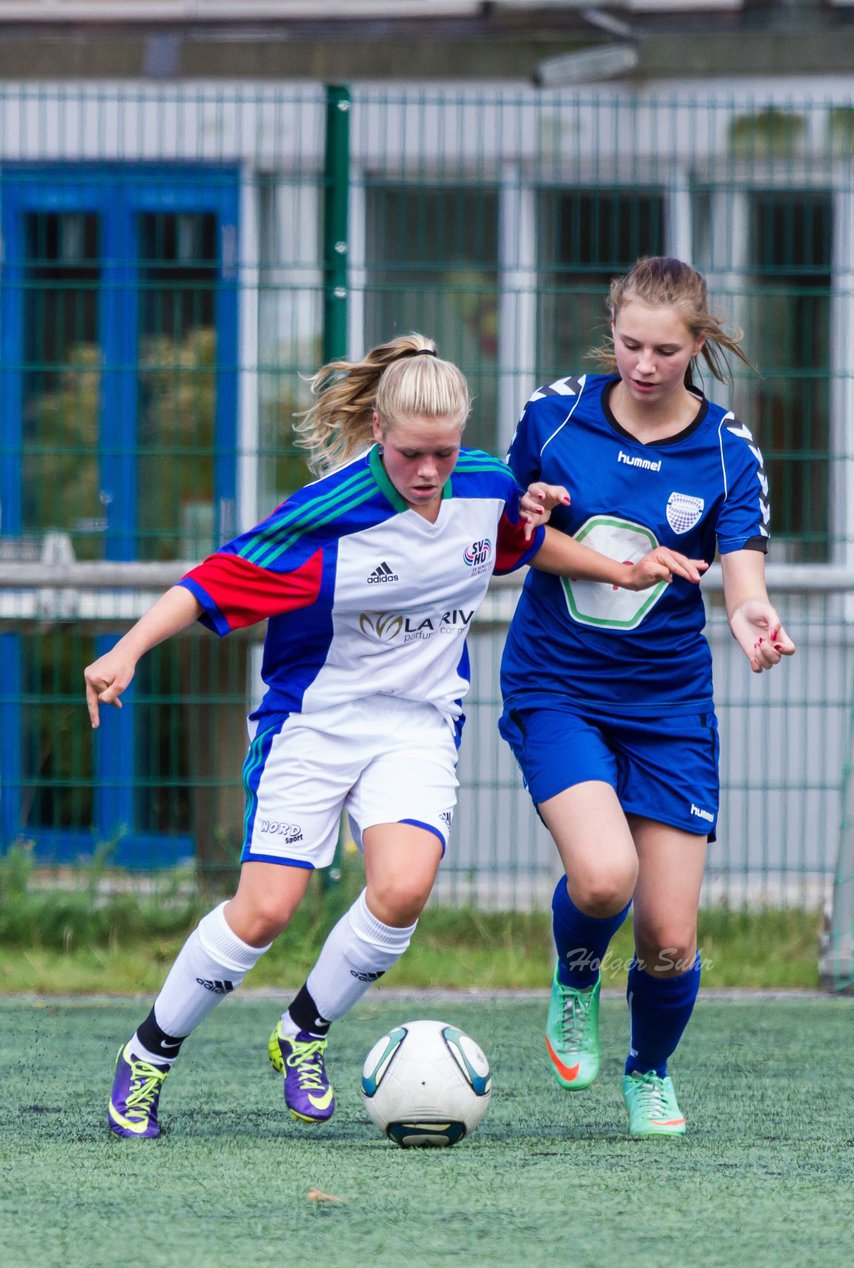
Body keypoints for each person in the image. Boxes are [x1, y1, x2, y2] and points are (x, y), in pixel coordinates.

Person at [86, 332, 704, 1141]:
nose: (428, 473)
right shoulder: (329, 515)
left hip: (415, 724)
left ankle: (303, 1032)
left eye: (444, 454)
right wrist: (126, 650)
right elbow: (212, 580)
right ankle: (148, 1057)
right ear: (378, 431)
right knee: (266, 912)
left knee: (404, 887)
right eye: (412, 454)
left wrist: (615, 568)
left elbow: (518, 543)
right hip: (314, 723)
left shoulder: (485, 484)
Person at [498, 257, 796, 1139]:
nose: (644, 364)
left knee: (669, 938)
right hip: (558, 684)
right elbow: (520, 539)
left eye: (666, 350)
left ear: (698, 345)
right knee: (602, 877)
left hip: (668, 706)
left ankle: (649, 1071)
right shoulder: (554, 417)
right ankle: (577, 975)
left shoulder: (726, 451)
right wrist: (530, 514)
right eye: (630, 344)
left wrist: (751, 619)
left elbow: (744, 572)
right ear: (611, 329)